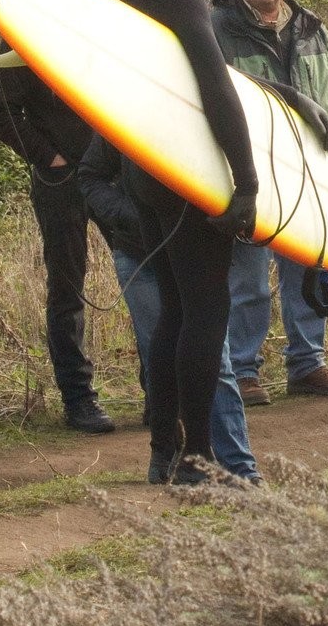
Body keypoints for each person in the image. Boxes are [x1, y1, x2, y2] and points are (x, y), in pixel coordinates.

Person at [103, 0, 259, 485]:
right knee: (206, 310)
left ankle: (165, 449)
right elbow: (215, 86)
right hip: (187, 171)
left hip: (144, 169)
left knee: (172, 309)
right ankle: (198, 460)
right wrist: (245, 181)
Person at [211, 0, 328, 402]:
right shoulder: (216, 26)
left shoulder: (313, 29)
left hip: (308, 174)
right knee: (247, 278)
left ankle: (308, 363)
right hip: (247, 172)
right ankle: (244, 371)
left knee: (310, 269)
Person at [0, 0, 116, 434]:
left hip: (110, 174)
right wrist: (51, 158)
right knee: (67, 288)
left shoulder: (108, 28)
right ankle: (78, 399)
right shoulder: (21, 34)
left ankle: (159, 390)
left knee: (142, 269)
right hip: (59, 179)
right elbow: (0, 113)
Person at [81, 134, 261, 483]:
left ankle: (234, 465)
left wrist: (295, 99)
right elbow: (90, 176)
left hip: (184, 244)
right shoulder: (123, 113)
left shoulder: (190, 108)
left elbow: (232, 89)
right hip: (139, 254)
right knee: (172, 354)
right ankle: (172, 457)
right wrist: (136, 215)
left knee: (211, 358)